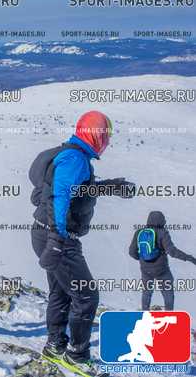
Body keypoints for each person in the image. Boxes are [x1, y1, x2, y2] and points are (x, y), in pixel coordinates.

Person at [28, 110, 133, 375]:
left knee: (61, 292)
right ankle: (77, 355)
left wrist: (111, 187)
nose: (107, 141)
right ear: (97, 136)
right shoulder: (75, 159)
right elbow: (59, 196)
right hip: (58, 237)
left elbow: (77, 189)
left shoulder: (72, 154)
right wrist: (57, 239)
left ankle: (55, 345)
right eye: (106, 136)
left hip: (44, 232)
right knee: (86, 295)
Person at [129, 210, 196, 310]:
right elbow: (172, 252)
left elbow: (131, 252)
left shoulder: (139, 232)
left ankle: (145, 313)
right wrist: (189, 258)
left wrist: (143, 258)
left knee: (146, 292)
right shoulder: (162, 233)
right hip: (161, 270)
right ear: (161, 221)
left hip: (145, 269)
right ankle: (168, 313)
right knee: (168, 293)